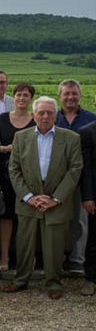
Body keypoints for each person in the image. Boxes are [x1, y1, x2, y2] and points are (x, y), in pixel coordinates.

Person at [3, 97, 83, 299]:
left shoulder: (71, 138)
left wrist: (55, 199)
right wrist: (29, 197)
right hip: (29, 201)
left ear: (56, 115)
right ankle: (21, 280)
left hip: (57, 203)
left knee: (54, 246)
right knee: (24, 244)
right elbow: (14, 169)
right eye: (41, 113)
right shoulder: (21, 137)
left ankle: (54, 282)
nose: (45, 116)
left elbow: (75, 170)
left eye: (49, 112)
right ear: (33, 114)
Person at [0, 83, 36, 271]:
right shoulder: (3, 119)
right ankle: (4, 255)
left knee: (27, 217)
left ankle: (28, 256)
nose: (21, 98)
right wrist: (6, 148)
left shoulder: (36, 120)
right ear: (14, 97)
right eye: (18, 95)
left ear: (30, 99)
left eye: (25, 95)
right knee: (7, 215)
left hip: (30, 176)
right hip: (5, 174)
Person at [55, 79, 96, 275]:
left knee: (81, 220)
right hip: (57, 180)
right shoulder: (52, 118)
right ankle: (56, 256)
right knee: (58, 219)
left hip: (82, 178)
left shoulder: (90, 118)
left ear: (80, 95)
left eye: (74, 93)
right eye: (66, 94)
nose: (70, 97)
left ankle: (77, 259)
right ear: (60, 96)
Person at [79, 119, 96, 296]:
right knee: (94, 239)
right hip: (95, 195)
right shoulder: (88, 131)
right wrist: (88, 196)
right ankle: (91, 278)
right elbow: (87, 168)